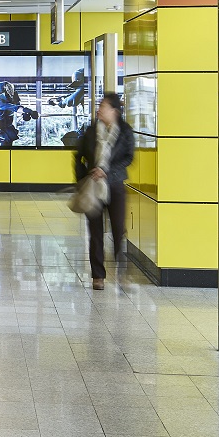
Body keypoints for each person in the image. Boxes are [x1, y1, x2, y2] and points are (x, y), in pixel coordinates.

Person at [73, 92, 136, 290]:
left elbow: (128, 158)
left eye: (104, 106)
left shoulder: (125, 132)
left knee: (118, 230)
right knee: (95, 232)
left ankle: (121, 272)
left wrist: (107, 171)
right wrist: (83, 179)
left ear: (114, 111)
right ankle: (97, 276)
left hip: (115, 186)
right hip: (93, 187)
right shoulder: (91, 130)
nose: (99, 109)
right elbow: (79, 156)